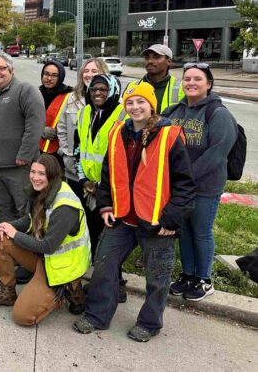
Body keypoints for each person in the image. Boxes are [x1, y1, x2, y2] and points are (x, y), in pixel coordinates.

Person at [73, 82, 195, 343]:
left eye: (141, 102)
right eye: (130, 102)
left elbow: (185, 184)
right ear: (124, 106)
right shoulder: (119, 132)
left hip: (156, 221)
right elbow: (108, 174)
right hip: (121, 217)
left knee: (158, 277)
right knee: (104, 266)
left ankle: (150, 323)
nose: (135, 107)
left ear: (152, 105)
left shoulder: (170, 135)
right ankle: (97, 315)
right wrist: (105, 205)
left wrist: (172, 219)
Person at [0, 155, 90, 325]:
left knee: (22, 317)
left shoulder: (65, 205)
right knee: (0, 237)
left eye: (41, 174)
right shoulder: (43, 191)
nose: (35, 177)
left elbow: (49, 245)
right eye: (33, 172)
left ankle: (68, 288)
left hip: (61, 268)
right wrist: (6, 226)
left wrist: (15, 234)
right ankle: (7, 291)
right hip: (45, 258)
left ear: (52, 175)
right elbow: (30, 220)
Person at [164, 63, 237, 301]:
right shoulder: (174, 111)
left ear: (209, 84)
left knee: (201, 232)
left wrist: (185, 177)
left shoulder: (218, 114)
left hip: (205, 187)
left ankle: (204, 279)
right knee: (183, 231)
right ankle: (187, 275)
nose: (191, 83)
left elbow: (217, 154)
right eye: (187, 79)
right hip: (180, 187)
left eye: (197, 79)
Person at [0, 50, 45, 225]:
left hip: (19, 166)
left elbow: (35, 124)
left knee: (25, 209)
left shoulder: (26, 91)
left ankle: (27, 250)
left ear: (11, 69)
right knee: (4, 210)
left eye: (1, 68)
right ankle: (6, 250)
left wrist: (25, 154)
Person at [74, 75, 126, 265]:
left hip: (113, 189)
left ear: (112, 90)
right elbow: (79, 150)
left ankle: (114, 282)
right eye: (94, 89)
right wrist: (83, 181)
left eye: (103, 89)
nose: (97, 93)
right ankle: (96, 268)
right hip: (89, 188)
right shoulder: (85, 113)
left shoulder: (123, 115)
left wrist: (103, 185)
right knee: (92, 230)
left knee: (112, 237)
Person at [57, 58, 109, 195]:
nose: (89, 74)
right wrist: (66, 152)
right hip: (74, 170)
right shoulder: (71, 98)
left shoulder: (113, 100)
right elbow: (61, 127)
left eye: (94, 71)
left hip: (101, 173)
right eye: (86, 71)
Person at [127, 44, 184, 113]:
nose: (150, 61)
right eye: (147, 58)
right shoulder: (131, 86)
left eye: (156, 57)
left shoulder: (181, 88)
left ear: (168, 61)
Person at [38, 60, 73, 155]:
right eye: (46, 74)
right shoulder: (36, 93)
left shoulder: (69, 95)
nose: (49, 78)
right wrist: (40, 129)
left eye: (54, 75)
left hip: (60, 150)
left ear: (60, 77)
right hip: (37, 148)